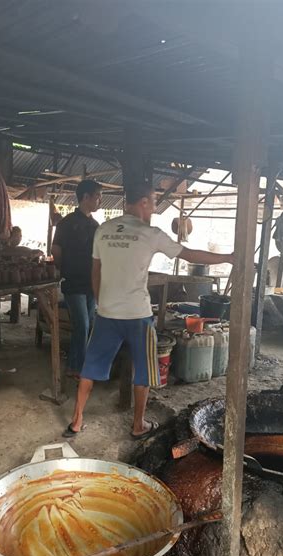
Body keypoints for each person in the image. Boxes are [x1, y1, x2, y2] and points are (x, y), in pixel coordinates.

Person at [64, 182, 234, 439]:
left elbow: (95, 271)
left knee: (91, 366)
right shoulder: (150, 233)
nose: (155, 207)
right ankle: (138, 425)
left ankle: (76, 421)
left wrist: (101, 301)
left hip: (108, 314)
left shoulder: (104, 230)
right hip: (138, 316)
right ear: (143, 202)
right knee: (142, 369)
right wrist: (227, 258)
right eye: (154, 201)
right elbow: (189, 255)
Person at [52, 180, 102, 378]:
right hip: (73, 282)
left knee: (88, 323)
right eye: (97, 196)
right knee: (82, 325)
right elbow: (55, 250)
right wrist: (65, 269)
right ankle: (76, 367)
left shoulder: (96, 225)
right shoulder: (66, 223)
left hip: (91, 283)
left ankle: (78, 363)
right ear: (86, 197)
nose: (100, 200)